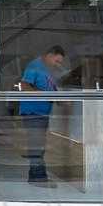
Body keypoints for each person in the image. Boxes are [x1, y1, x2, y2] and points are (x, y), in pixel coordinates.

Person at [17, 45, 66, 183]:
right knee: (36, 144)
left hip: (42, 112)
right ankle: (37, 176)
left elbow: (50, 89)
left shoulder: (48, 69)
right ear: (50, 55)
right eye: (57, 61)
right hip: (33, 112)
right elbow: (24, 86)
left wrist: (59, 99)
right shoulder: (34, 66)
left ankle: (38, 174)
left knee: (39, 144)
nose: (58, 64)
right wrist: (44, 95)